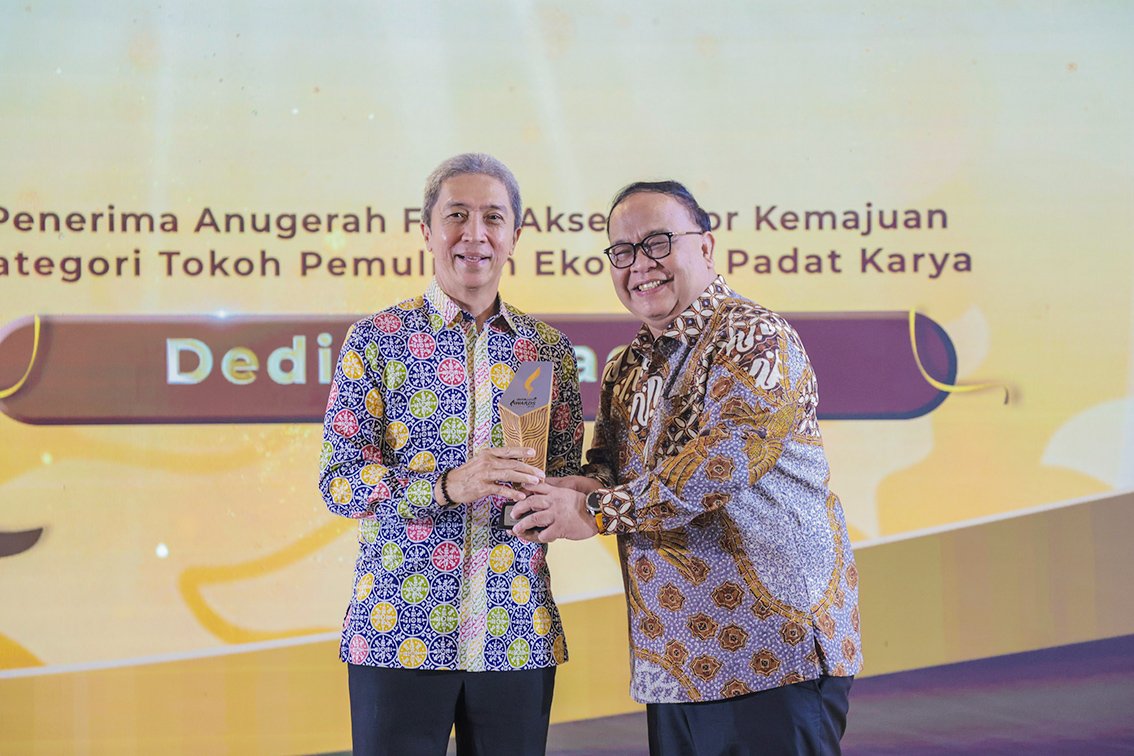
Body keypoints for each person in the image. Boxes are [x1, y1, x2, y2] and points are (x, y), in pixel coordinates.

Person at [511, 180, 861, 754]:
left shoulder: (753, 337)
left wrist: (594, 510)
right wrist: (573, 486)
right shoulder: (626, 365)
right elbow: (611, 467)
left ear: (706, 246)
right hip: (676, 659)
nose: (639, 265)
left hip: (772, 650)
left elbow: (717, 467)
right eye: (623, 252)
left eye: (657, 243)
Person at [319, 153, 584, 755]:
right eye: (457, 215)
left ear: (515, 235)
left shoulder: (545, 351)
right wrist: (444, 487)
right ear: (427, 231)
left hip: (515, 632)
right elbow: (339, 480)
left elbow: (565, 475)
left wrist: (562, 502)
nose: (475, 234)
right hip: (398, 630)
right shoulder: (378, 339)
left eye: (493, 217)